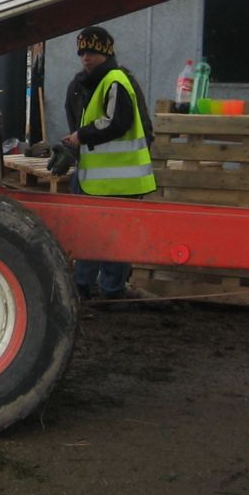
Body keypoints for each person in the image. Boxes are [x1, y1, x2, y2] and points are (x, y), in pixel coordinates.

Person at [62, 25, 156, 301]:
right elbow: (77, 125)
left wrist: (81, 136)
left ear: (106, 53)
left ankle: (111, 290)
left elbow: (118, 122)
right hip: (92, 177)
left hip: (120, 180)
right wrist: (71, 149)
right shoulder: (79, 86)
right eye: (82, 52)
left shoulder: (116, 80)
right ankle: (85, 288)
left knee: (113, 237)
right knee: (90, 234)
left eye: (92, 52)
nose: (86, 57)